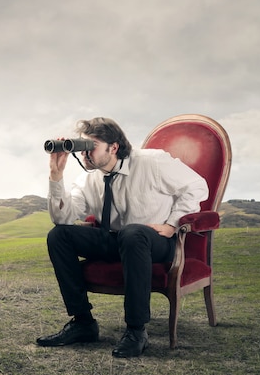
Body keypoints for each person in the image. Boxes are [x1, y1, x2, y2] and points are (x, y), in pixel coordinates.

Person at [37, 117, 208, 358]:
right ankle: (83, 322)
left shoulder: (152, 162)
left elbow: (197, 186)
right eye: (82, 147)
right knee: (59, 235)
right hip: (116, 240)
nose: (85, 154)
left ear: (113, 147)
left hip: (156, 242)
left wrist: (172, 224)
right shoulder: (88, 179)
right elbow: (62, 218)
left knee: (133, 233)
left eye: (91, 146)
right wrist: (56, 175)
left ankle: (137, 331)